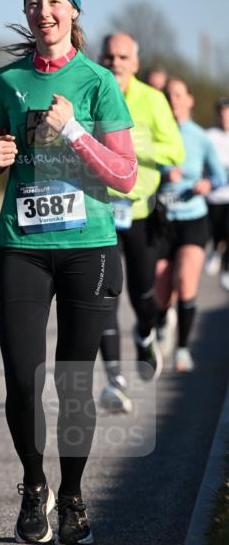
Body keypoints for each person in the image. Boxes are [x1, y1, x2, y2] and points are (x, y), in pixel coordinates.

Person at [0, 0, 136, 545]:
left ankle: (71, 496)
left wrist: (74, 132)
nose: (42, 12)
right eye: (33, 2)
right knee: (22, 380)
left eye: (52, 2)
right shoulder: (8, 80)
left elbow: (125, 174)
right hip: (21, 247)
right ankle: (33, 484)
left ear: (73, 11)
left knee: (73, 382)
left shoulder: (98, 81)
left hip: (86, 249)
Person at [97, 33, 184, 413]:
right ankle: (115, 381)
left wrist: (132, 145)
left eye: (123, 57)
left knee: (143, 294)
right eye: (109, 56)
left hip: (140, 213)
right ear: (101, 59)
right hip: (100, 211)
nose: (115, 62)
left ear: (135, 62)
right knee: (104, 295)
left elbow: (175, 151)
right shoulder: (92, 92)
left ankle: (145, 333)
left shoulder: (152, 100)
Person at [154, 78, 226, 371]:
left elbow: (220, 175)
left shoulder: (200, 137)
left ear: (189, 99)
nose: (173, 100)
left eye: (178, 95)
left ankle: (182, 349)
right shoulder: (154, 133)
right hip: (160, 220)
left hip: (193, 218)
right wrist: (162, 177)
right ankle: (162, 320)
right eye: (168, 95)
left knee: (185, 281)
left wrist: (207, 184)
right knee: (161, 289)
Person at [205, 97, 229, 291]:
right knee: (217, 231)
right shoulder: (209, 135)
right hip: (214, 196)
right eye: (221, 112)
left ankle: (227, 269)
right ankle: (215, 249)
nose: (224, 116)